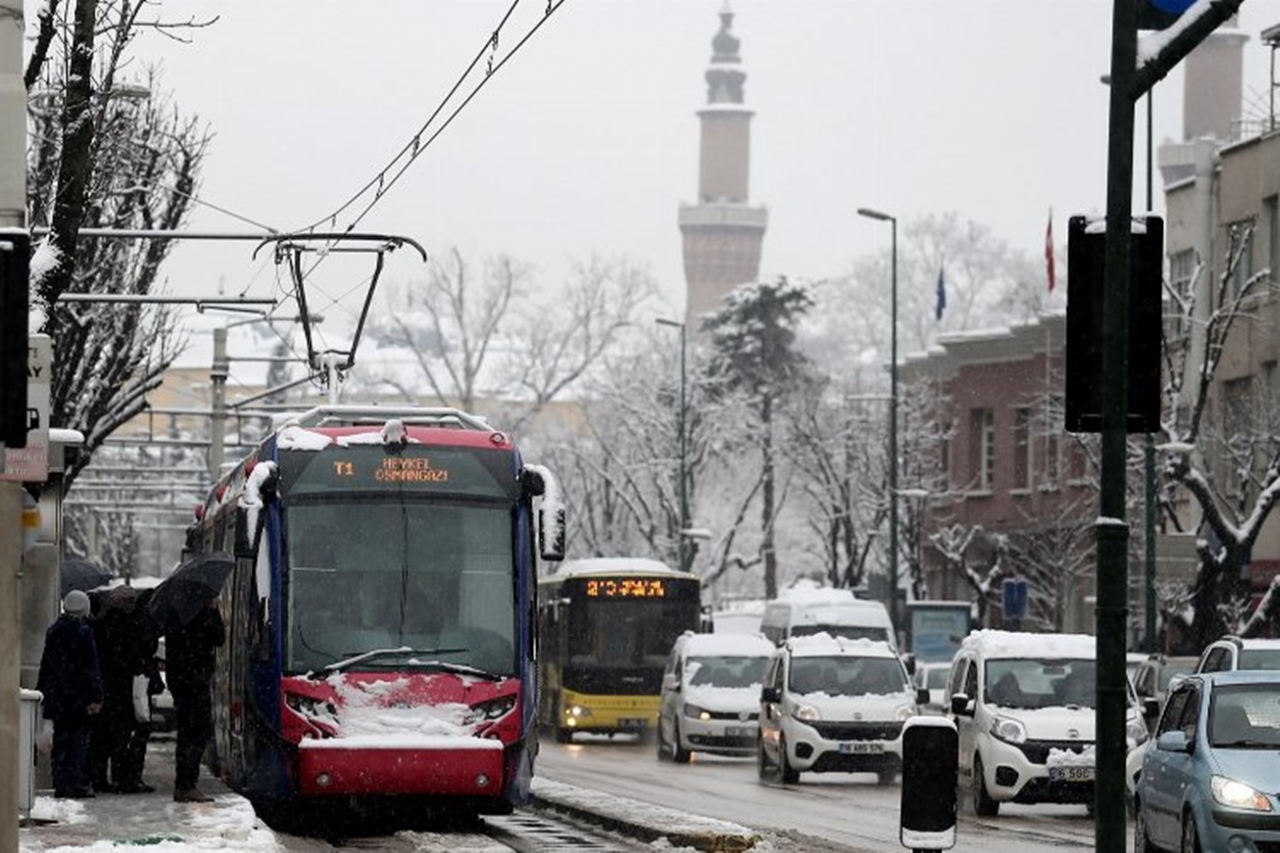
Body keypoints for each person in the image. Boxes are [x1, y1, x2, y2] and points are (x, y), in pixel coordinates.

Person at [91, 586, 160, 793]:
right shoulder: (134, 625)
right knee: (125, 736)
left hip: (106, 687)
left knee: (104, 736)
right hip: (127, 689)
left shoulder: (101, 624)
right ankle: (125, 778)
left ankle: (100, 778)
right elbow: (142, 651)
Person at [36, 590, 104, 799]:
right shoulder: (84, 632)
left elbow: (46, 665)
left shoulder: (54, 631)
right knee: (78, 741)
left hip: (58, 695)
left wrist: (44, 691)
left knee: (61, 742)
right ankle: (73, 783)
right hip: (78, 696)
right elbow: (91, 667)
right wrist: (96, 694)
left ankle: (60, 782)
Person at [166, 598, 225, 803]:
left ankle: (184, 784)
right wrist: (213, 611)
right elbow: (219, 637)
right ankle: (186, 785)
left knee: (187, 734)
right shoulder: (200, 617)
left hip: (182, 682)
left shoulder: (176, 616)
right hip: (195, 682)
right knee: (197, 732)